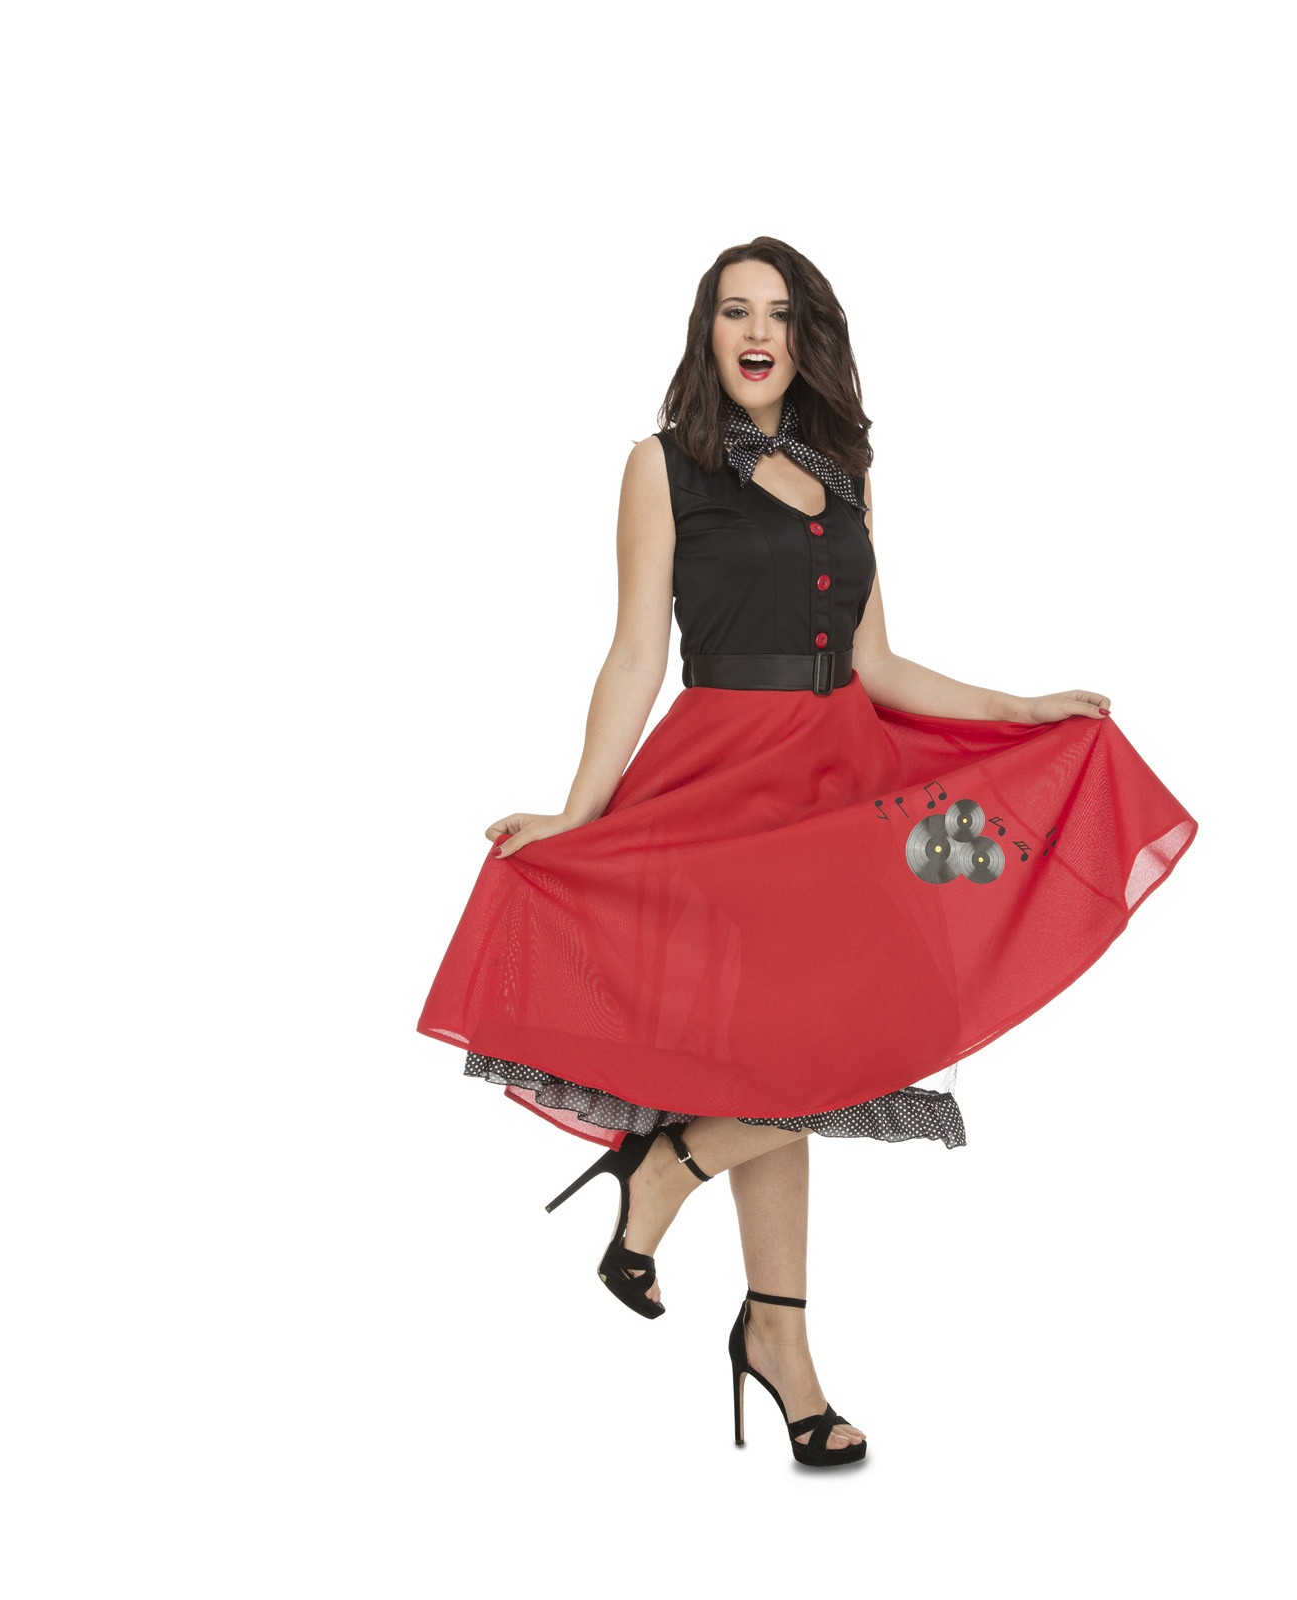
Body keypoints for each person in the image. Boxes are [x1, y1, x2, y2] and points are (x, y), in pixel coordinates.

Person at [417, 236, 1197, 1467]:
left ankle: (681, 1191)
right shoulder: (659, 465)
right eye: (733, 311)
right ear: (707, 332)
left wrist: (1017, 708)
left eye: (776, 313)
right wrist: (576, 810)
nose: (755, 331)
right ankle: (763, 1316)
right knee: (775, 1051)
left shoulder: (846, 469)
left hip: (839, 788)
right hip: (722, 785)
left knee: (851, 1030)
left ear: (804, 335)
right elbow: (635, 652)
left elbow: (874, 660)